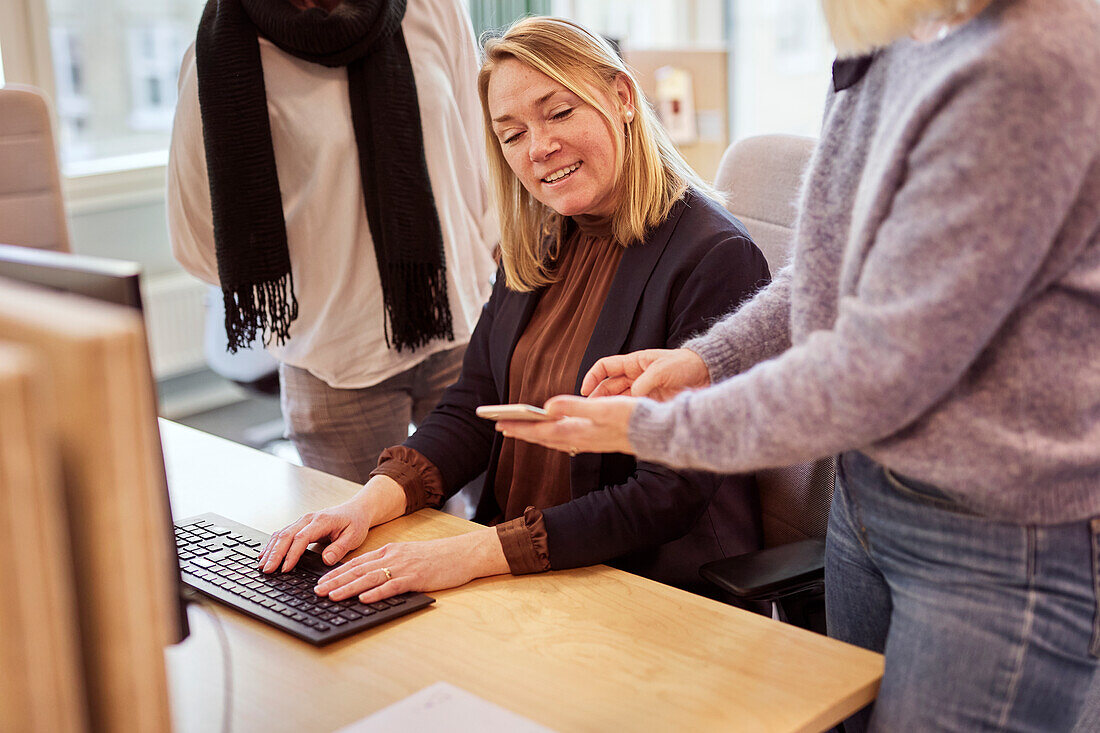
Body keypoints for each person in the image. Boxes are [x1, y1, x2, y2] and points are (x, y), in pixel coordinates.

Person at [502, 0, 1100, 729]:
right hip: (868, 496)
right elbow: (823, 271)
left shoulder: (1027, 62)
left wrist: (652, 427)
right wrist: (703, 359)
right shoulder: (892, 38)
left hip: (997, 537)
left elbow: (876, 370)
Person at [258, 16, 770, 600]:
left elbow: (667, 494)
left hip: (644, 583)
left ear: (622, 97)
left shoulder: (714, 257)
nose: (540, 148)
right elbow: (472, 407)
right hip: (522, 569)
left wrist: (474, 552)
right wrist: (365, 502)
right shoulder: (543, 242)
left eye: (558, 113)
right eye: (512, 134)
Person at [167, 0, 498, 484]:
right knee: (360, 550)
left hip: (462, 331)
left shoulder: (432, 8)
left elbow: (481, 152)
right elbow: (199, 233)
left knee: (481, 533)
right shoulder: (220, 52)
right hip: (335, 360)